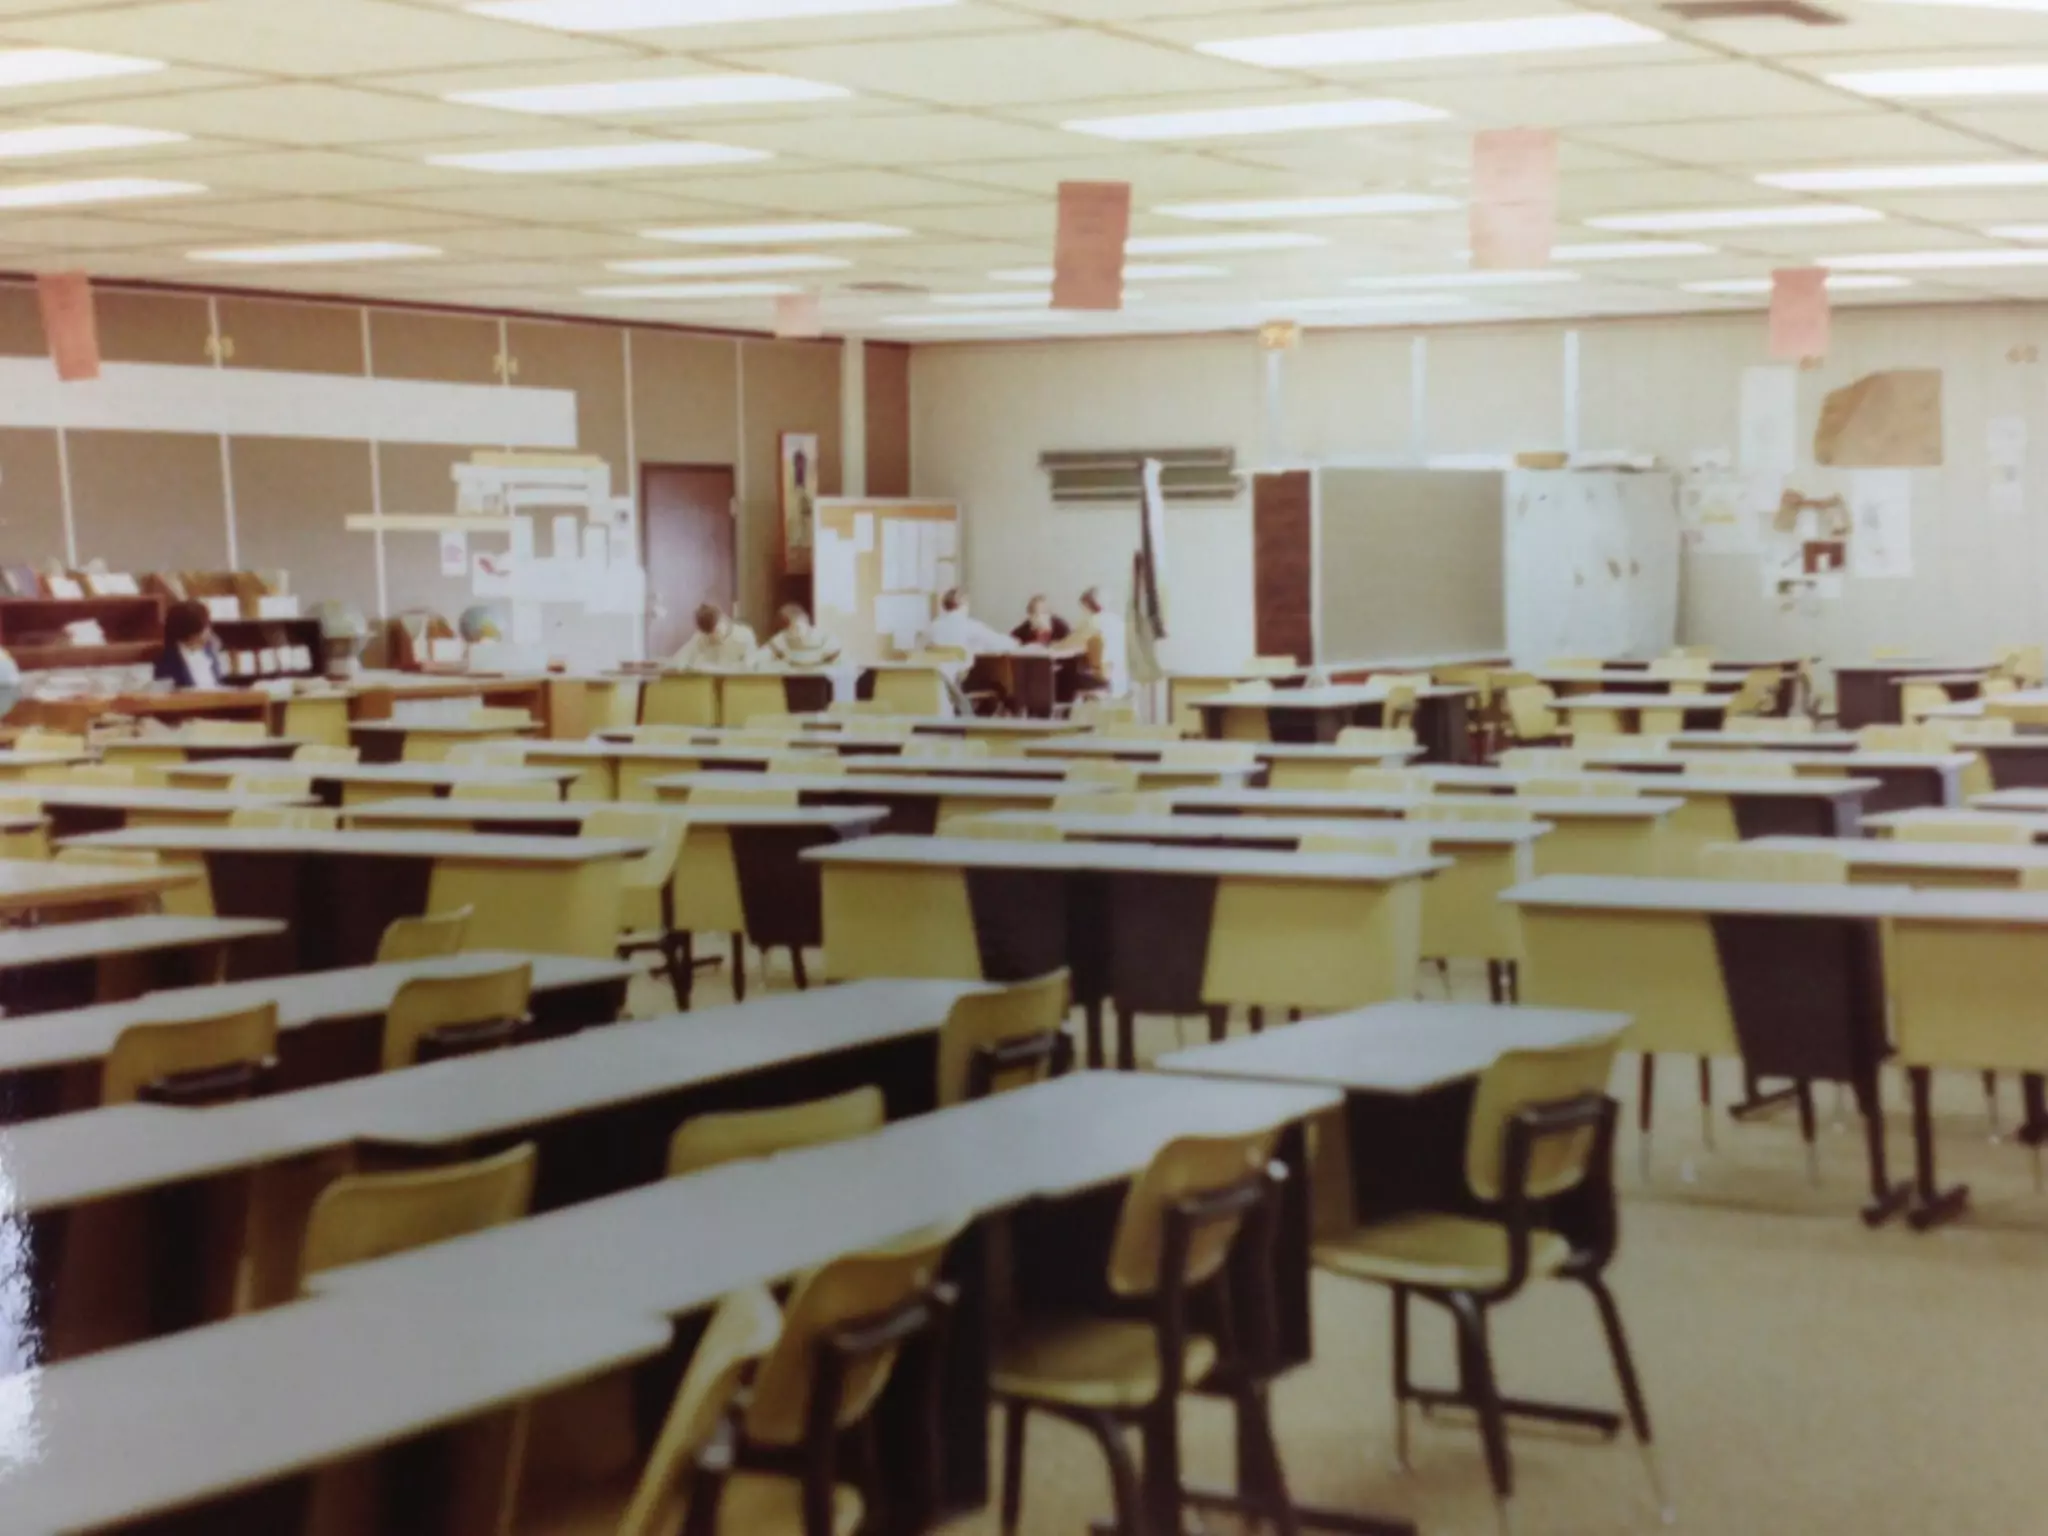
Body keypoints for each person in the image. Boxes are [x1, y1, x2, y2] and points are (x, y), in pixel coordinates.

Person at [1064, 585, 1125, 696]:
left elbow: (1070, 645)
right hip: (1122, 676)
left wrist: (1050, 646)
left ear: (1087, 605)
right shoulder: (1118, 621)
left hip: (1103, 676)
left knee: (1063, 677)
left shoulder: (1092, 621)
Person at [918, 589, 1014, 655]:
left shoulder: (932, 627)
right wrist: (1015, 643)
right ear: (964, 604)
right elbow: (1001, 644)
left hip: (937, 676)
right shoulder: (972, 627)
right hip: (965, 675)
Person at [155, 599, 224, 690]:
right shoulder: (167, 662)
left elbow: (218, 683)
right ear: (191, 635)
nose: (208, 632)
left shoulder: (210, 651)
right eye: (205, 628)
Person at [668, 603, 759, 670]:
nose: (713, 637)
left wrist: (714, 669)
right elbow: (679, 660)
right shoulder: (701, 637)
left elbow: (750, 667)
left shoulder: (743, 636)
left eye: (716, 631)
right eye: (708, 634)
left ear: (723, 619)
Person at [765, 603, 841, 668]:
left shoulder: (824, 636)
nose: (795, 634)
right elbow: (771, 648)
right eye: (790, 629)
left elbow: (835, 648)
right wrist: (778, 653)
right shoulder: (780, 639)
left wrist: (826, 656)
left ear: (806, 622)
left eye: (797, 628)